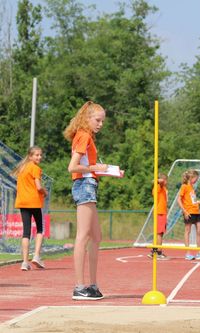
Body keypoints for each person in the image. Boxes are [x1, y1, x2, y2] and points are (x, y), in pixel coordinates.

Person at [64, 101, 108, 300]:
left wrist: (107, 170)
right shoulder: (84, 136)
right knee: (83, 236)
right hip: (84, 186)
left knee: (96, 236)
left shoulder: (85, 136)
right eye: (97, 120)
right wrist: (95, 169)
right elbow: (73, 167)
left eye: (102, 121)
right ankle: (80, 286)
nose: (100, 124)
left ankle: (92, 285)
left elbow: (86, 165)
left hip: (89, 185)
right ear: (87, 118)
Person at [12, 146, 49, 271]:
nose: (39, 157)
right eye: (37, 155)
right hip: (34, 202)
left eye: (40, 155)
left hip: (23, 202)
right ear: (30, 156)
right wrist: (45, 192)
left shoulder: (22, 169)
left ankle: (24, 262)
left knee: (26, 232)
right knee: (40, 229)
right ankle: (37, 256)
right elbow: (38, 187)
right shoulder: (35, 168)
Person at [177, 169, 200, 260]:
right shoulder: (184, 186)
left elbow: (192, 200)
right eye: (196, 179)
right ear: (191, 177)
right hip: (189, 212)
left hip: (196, 211)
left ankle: (199, 252)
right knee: (188, 231)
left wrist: (199, 202)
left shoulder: (191, 187)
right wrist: (185, 211)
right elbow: (179, 199)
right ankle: (188, 252)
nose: (196, 180)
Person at [148, 173, 168, 260]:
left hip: (162, 212)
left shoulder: (163, 188)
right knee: (159, 233)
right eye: (165, 180)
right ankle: (158, 252)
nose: (166, 182)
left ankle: (154, 251)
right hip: (159, 212)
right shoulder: (158, 187)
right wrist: (158, 180)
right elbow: (160, 181)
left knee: (159, 233)